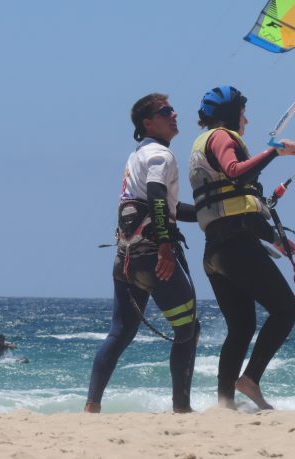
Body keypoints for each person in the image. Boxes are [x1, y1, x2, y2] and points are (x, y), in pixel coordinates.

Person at [85, 93, 201, 414]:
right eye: (166, 111)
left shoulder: (136, 156)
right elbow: (156, 196)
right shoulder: (161, 156)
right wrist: (165, 245)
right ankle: (182, 408)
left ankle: (92, 405)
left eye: (173, 108)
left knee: (120, 333)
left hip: (126, 259)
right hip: (154, 256)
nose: (175, 114)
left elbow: (171, 207)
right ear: (148, 123)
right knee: (187, 328)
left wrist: (208, 210)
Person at [188, 86, 295, 410]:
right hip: (235, 247)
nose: (246, 120)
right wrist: (275, 153)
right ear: (230, 114)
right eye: (243, 113)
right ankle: (249, 379)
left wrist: (273, 238)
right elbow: (237, 176)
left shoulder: (201, 144)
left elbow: (234, 207)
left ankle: (225, 403)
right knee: (286, 310)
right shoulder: (222, 137)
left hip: (215, 251)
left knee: (241, 326)